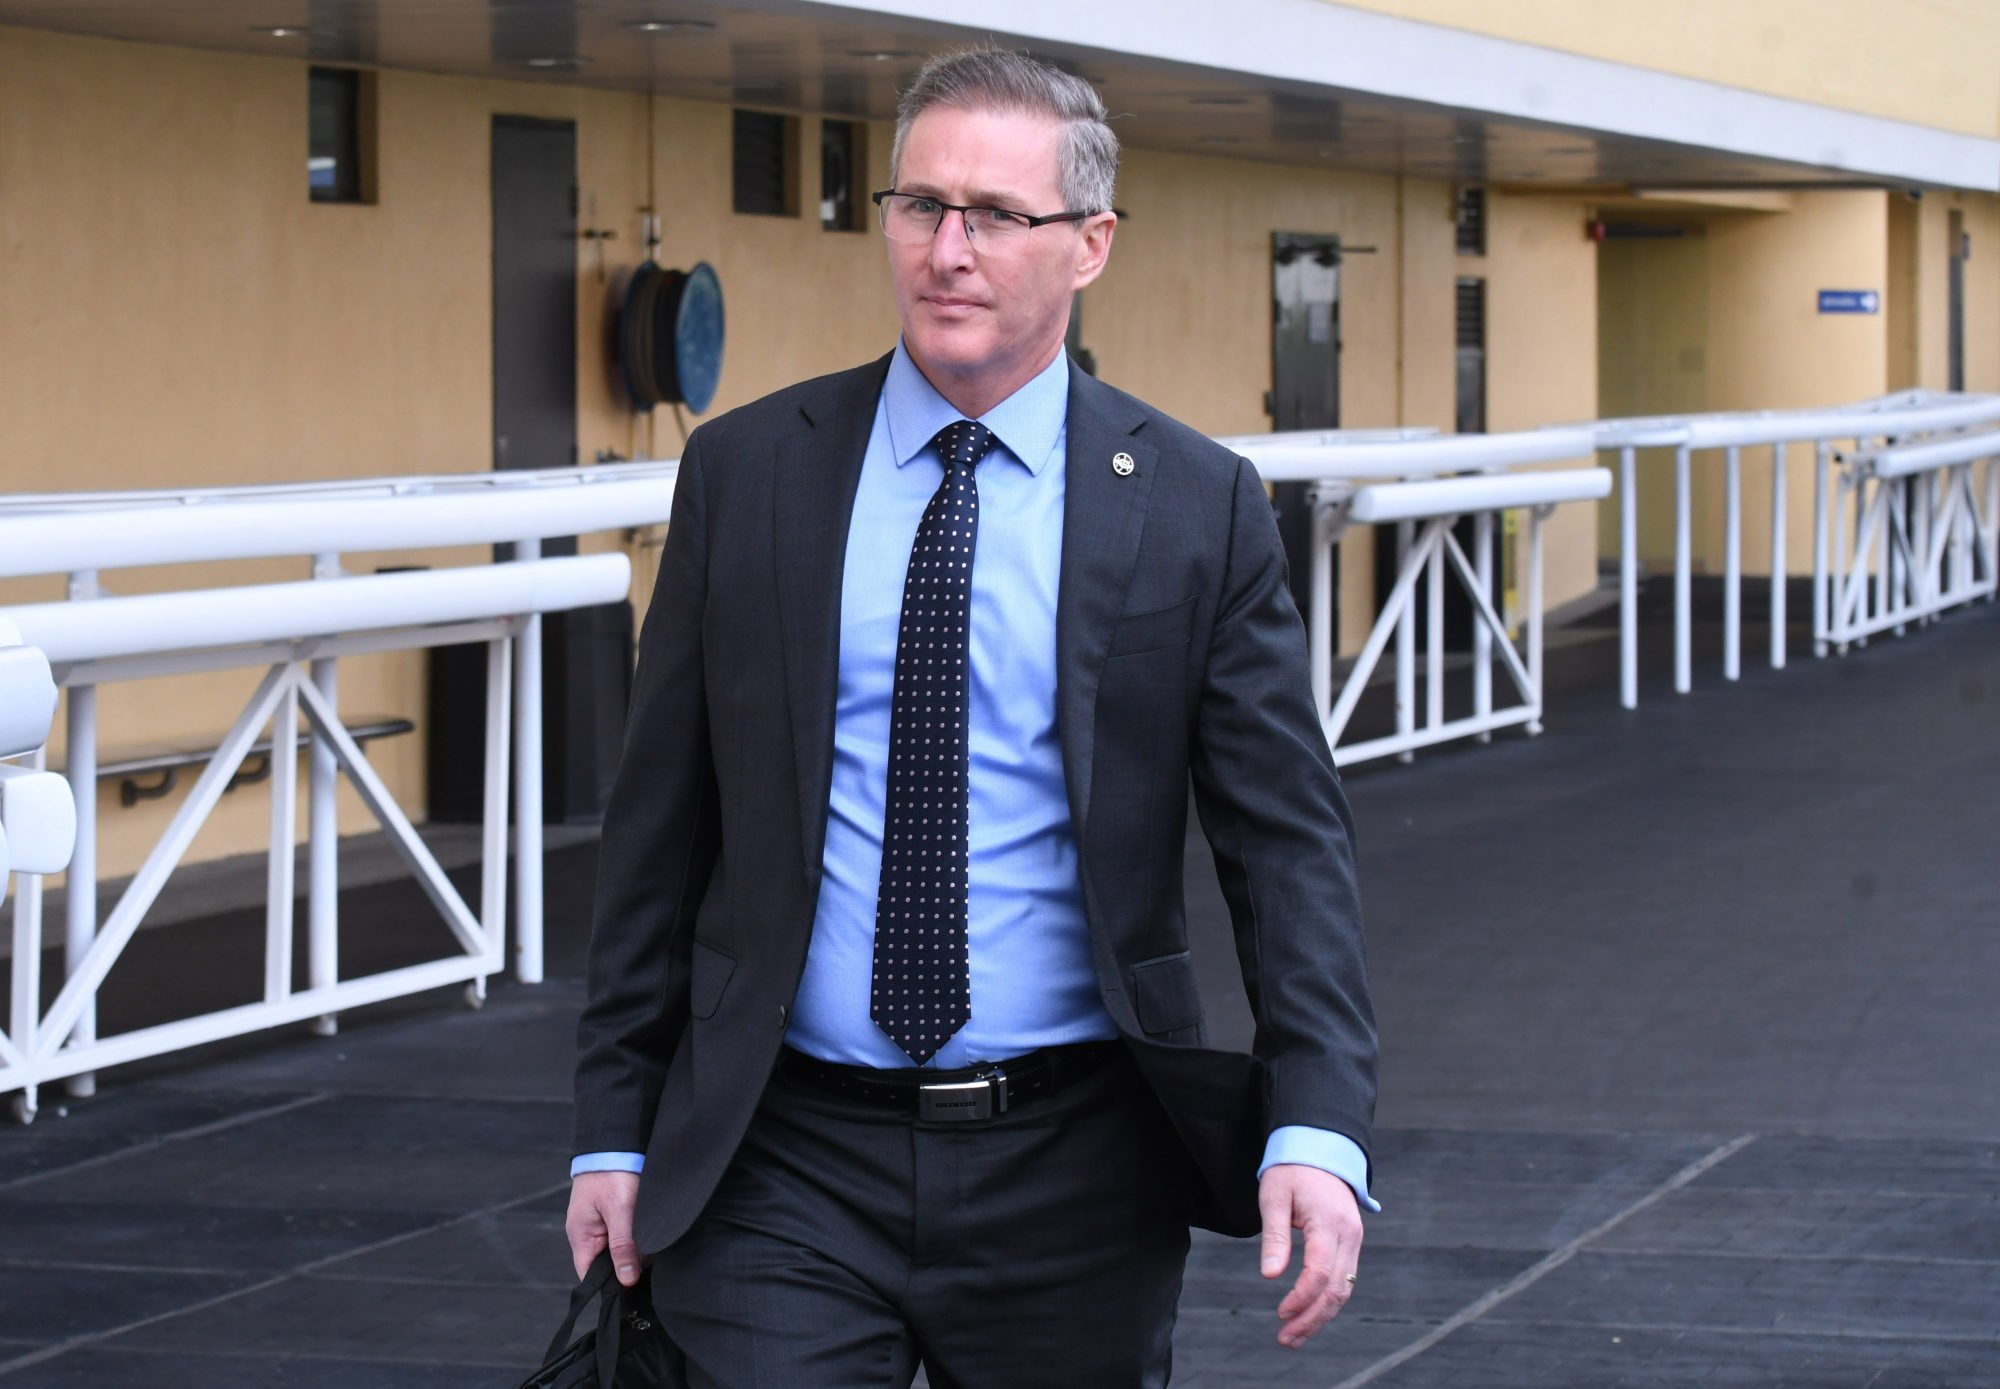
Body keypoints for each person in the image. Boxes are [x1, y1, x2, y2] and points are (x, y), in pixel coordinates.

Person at [566, 46, 1377, 1388]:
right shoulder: (749, 475)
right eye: (919, 205)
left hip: (1075, 1167)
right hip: (782, 1154)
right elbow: (658, 831)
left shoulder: (1195, 504)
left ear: (1090, 244)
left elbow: (1288, 847)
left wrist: (1319, 1125)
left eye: (996, 215)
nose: (949, 248)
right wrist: (611, 1125)